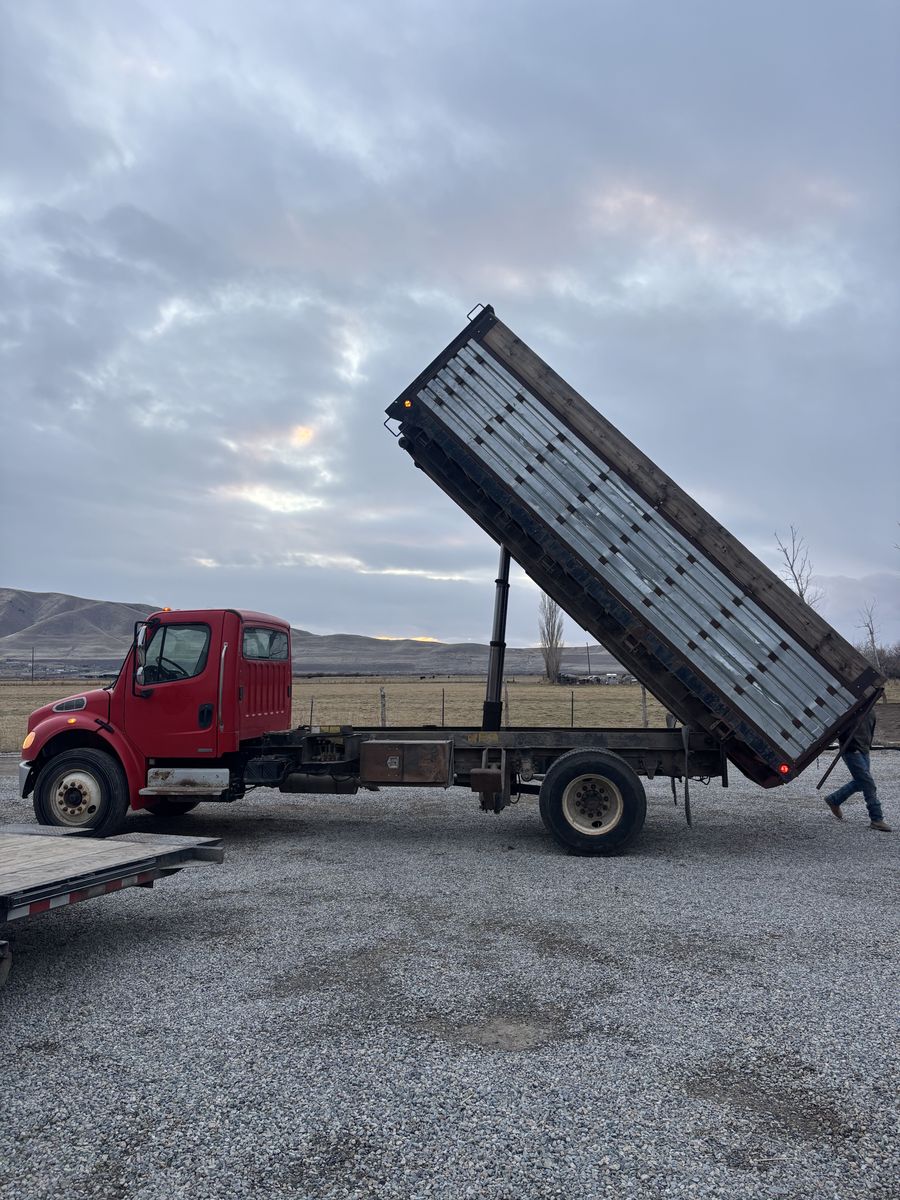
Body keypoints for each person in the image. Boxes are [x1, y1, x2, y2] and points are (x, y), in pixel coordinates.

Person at [824, 709, 891, 831]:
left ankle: (834, 799)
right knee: (868, 783)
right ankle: (877, 819)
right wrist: (851, 746)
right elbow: (839, 730)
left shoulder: (870, 710)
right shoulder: (851, 708)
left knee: (861, 783)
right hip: (852, 751)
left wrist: (867, 747)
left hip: (864, 750)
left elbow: (870, 730)